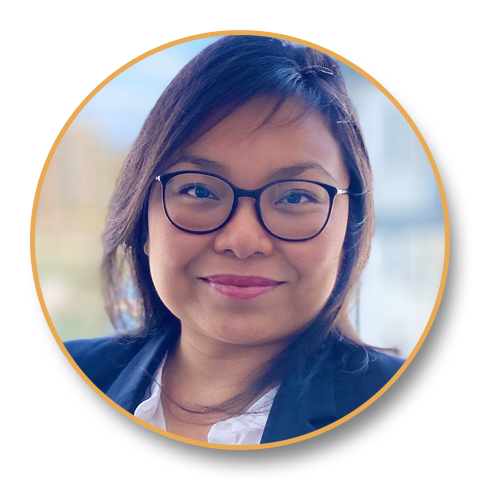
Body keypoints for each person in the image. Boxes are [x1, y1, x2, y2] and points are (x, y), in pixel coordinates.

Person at [36, 35, 404, 446]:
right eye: (199, 191)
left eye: (295, 197)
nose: (243, 240)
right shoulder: (39, 387)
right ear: (144, 221)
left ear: (350, 228)